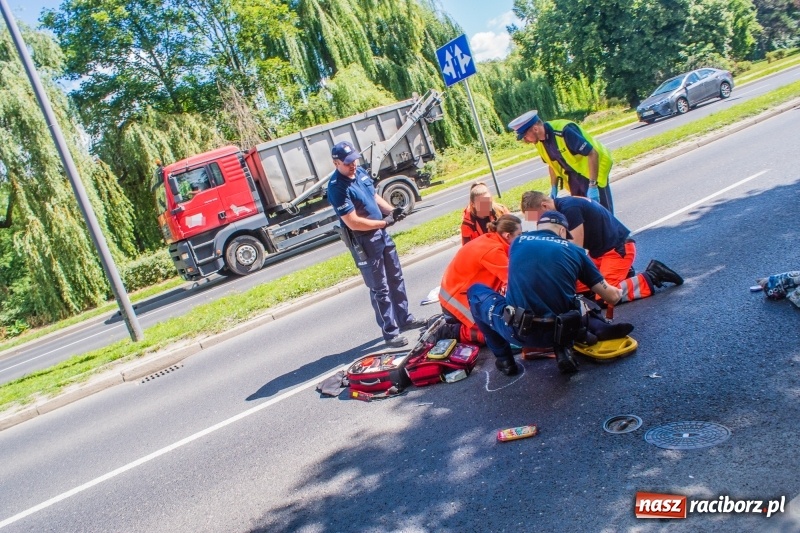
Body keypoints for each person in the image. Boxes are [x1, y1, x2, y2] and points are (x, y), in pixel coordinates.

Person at [467, 211, 625, 375]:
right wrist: (618, 292)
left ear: (538, 227)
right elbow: (611, 296)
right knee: (572, 297)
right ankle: (563, 349)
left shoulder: (518, 242)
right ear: (562, 231)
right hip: (563, 330)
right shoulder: (575, 251)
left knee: (476, 291)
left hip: (520, 331)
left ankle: (505, 360)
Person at [327, 141, 425, 347]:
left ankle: (404, 318)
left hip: (381, 234)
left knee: (396, 277)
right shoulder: (337, 187)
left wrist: (392, 211)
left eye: (354, 159)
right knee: (380, 288)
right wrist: (383, 222)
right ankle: (391, 333)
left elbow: (373, 196)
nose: (353, 164)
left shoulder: (359, 172)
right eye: (347, 162)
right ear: (336, 163)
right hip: (365, 240)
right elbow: (353, 221)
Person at [520, 191, 683, 304]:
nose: (538, 223)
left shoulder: (570, 209)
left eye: (537, 218)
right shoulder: (563, 206)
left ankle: (653, 276)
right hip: (600, 254)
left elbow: (575, 248)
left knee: (605, 296)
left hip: (617, 249)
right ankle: (625, 276)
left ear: (544, 206)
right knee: (577, 288)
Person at [508, 110, 615, 213]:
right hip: (574, 179)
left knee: (604, 213)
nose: (525, 140)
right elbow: (552, 165)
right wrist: (554, 187)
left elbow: (592, 153)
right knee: (586, 215)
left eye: (525, 136)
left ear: (535, 129)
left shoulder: (564, 131)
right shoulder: (539, 142)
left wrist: (593, 185)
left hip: (593, 173)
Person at [438, 214, 522, 345]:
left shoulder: (492, 240)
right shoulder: (493, 250)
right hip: (457, 301)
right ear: (508, 236)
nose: (521, 238)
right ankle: (451, 331)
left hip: (456, 295)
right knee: (497, 333)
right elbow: (514, 281)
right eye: (519, 234)